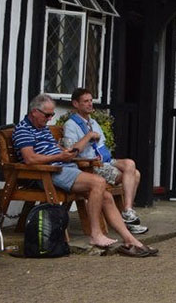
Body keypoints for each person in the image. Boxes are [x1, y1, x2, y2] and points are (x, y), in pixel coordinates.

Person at [12, 94, 157, 256]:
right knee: (98, 183)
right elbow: (30, 159)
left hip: (64, 167)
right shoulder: (23, 130)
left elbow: (53, 149)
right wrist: (59, 157)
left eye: (52, 115)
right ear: (34, 112)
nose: (50, 118)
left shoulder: (43, 128)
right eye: (47, 115)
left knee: (106, 196)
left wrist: (65, 153)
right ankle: (95, 234)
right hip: (49, 172)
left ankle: (130, 239)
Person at [62, 88, 147, 234]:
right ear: (76, 104)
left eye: (91, 101)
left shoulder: (93, 122)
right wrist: (88, 136)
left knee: (130, 164)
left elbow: (102, 146)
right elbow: (71, 151)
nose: (90, 104)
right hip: (89, 164)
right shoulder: (71, 125)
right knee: (135, 175)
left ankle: (127, 211)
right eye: (86, 101)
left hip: (104, 161)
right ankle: (128, 218)